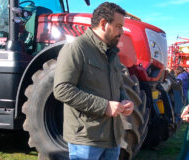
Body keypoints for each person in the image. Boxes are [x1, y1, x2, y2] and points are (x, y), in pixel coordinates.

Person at [53, 2, 134, 160]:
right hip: (86, 140)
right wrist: (104, 106)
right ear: (103, 23)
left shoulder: (113, 54)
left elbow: (118, 86)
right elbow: (62, 89)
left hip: (112, 138)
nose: (121, 32)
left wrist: (125, 100)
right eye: (118, 26)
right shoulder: (76, 49)